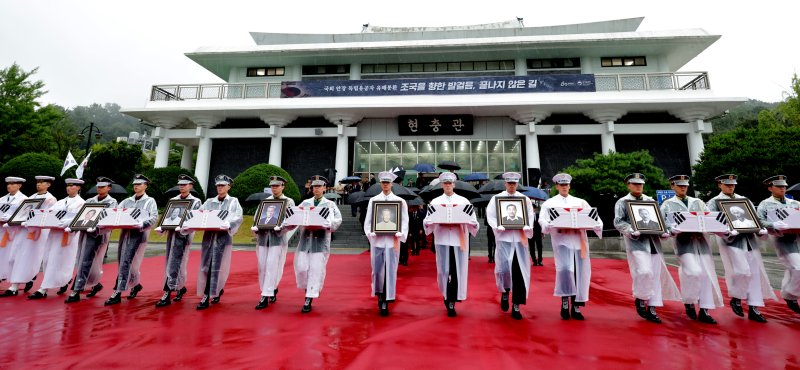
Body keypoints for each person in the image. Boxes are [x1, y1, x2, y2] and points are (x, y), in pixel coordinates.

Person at [613, 173, 680, 323]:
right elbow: (618, 221)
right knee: (644, 271)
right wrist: (630, 230)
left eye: (640, 184)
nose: (638, 186)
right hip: (637, 242)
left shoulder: (650, 201)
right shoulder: (622, 202)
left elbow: (661, 221)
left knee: (655, 275)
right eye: (635, 184)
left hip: (654, 243)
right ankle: (641, 297)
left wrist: (666, 231)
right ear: (628, 185)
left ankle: (652, 308)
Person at [707, 174, 774, 322]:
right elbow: (711, 222)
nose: (731, 187)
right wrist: (725, 231)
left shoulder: (744, 200)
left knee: (755, 274)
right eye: (727, 184)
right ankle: (736, 298)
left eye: (733, 184)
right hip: (731, 241)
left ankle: (754, 307)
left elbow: (755, 219)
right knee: (741, 271)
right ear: (720, 185)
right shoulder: (714, 202)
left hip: (749, 240)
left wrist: (760, 229)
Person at [660, 175, 723, 324]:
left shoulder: (698, 202)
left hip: (701, 242)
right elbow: (662, 224)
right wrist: (671, 229)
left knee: (706, 275)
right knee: (693, 272)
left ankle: (704, 310)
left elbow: (710, 218)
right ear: (673, 186)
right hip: (684, 243)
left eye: (685, 185)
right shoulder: (667, 205)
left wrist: (721, 228)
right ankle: (689, 301)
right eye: (680, 185)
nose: (683, 188)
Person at [539, 173, 602, 320]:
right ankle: (565, 300)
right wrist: (548, 224)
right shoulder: (550, 203)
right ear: (557, 186)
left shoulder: (580, 202)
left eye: (566, 185)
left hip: (578, 242)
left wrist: (596, 225)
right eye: (561, 185)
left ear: (569, 186)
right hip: (562, 241)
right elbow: (542, 220)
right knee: (565, 270)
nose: (564, 187)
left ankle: (576, 306)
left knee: (579, 274)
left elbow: (595, 219)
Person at [423, 172, 478, 317]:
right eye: (445, 183)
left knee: (456, 270)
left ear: (454, 184)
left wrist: (472, 223)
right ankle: (446, 295)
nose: (448, 185)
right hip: (442, 240)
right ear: (442, 185)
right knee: (443, 271)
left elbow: (473, 221)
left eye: (450, 183)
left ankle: (451, 300)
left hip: (457, 241)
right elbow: (428, 221)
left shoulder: (463, 201)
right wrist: (428, 222)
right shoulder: (435, 202)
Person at [285, 175, 342, 313]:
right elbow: (295, 217)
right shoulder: (305, 203)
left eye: (319, 186)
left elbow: (337, 220)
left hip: (320, 241)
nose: (316, 189)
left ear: (324, 188)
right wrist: (288, 221)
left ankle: (309, 297)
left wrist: (329, 224)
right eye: (314, 187)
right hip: (305, 240)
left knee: (316, 269)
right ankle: (308, 288)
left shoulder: (330, 204)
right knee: (301, 267)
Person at [26, 178, 86, 299]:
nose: (69, 188)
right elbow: (49, 214)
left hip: (67, 235)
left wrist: (67, 223)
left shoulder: (81, 203)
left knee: (58, 260)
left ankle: (43, 289)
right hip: (53, 234)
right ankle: (64, 281)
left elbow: (81, 218)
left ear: (78, 187)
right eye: (68, 185)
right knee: (48, 259)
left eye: (72, 186)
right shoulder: (60, 202)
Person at [189, 174, 243, 310]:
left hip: (223, 238)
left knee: (218, 267)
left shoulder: (233, 202)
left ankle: (208, 294)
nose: (220, 187)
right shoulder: (209, 202)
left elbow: (238, 217)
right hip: (209, 237)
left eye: (222, 185)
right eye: (218, 185)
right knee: (206, 266)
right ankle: (214, 290)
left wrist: (229, 224)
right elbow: (199, 213)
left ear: (229, 187)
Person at [104, 174, 158, 306]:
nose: (136, 186)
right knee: (125, 260)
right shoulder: (127, 201)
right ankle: (136, 284)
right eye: (135, 184)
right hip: (125, 233)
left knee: (127, 260)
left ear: (145, 186)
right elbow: (116, 212)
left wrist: (142, 224)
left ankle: (118, 290)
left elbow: (154, 217)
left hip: (139, 234)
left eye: (139, 184)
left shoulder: (150, 201)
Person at [486, 172, 533, 320]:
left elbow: (530, 215)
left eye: (514, 183)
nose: (512, 185)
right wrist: (497, 226)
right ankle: (505, 291)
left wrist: (527, 226)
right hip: (504, 239)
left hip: (519, 241)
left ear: (517, 184)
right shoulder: (496, 199)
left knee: (519, 272)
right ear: (505, 183)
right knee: (504, 269)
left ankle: (516, 305)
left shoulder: (524, 200)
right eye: (509, 183)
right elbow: (490, 215)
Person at [2, 176, 57, 297]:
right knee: (14, 257)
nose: (38, 184)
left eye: (42, 182)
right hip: (23, 230)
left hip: (37, 233)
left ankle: (15, 286)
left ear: (48, 185)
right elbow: (22, 213)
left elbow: (48, 217)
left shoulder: (50, 199)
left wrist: (30, 222)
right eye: (37, 182)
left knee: (28, 259)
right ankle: (23, 281)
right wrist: (14, 222)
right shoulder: (31, 198)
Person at [66, 176, 118, 303]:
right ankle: (95, 284)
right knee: (85, 260)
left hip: (99, 234)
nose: (99, 189)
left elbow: (109, 218)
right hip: (85, 232)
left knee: (87, 260)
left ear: (109, 188)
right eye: (98, 186)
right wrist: (73, 226)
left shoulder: (112, 202)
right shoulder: (90, 200)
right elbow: (82, 216)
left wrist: (96, 226)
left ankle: (77, 290)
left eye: (103, 187)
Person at [364, 171, 409, 316]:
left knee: (390, 270)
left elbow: (404, 221)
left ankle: (387, 298)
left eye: (388, 182)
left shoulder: (399, 201)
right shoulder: (374, 201)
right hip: (378, 241)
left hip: (392, 241)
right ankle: (379, 294)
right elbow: (368, 221)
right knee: (377, 270)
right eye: (383, 182)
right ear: (380, 184)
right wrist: (370, 232)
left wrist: (401, 232)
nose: (385, 185)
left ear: (392, 184)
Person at [152, 174, 201, 307]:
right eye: (180, 184)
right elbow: (167, 217)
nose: (182, 187)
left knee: (178, 263)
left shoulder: (195, 202)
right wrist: (162, 227)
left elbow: (194, 219)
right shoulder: (174, 200)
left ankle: (168, 291)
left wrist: (183, 227)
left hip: (184, 236)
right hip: (172, 235)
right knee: (170, 261)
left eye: (184, 184)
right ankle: (180, 287)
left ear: (191, 186)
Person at [756, 175, 800, 316]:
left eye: (784, 186)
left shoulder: (795, 203)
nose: (783, 189)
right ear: (770, 188)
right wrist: (772, 224)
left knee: (793, 268)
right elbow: (758, 220)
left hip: (797, 237)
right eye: (779, 186)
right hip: (782, 239)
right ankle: (790, 295)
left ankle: (789, 294)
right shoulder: (765, 204)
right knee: (797, 268)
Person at [251, 175, 296, 310]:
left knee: (273, 265)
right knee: (262, 265)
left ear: (283, 186)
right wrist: (256, 226)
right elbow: (257, 217)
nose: (274, 188)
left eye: (277, 186)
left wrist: (282, 227)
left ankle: (265, 294)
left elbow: (292, 220)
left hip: (277, 239)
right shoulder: (266, 201)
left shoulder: (288, 202)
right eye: (272, 186)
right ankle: (271, 288)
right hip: (263, 238)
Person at [0, 177, 28, 287]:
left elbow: (24, 216)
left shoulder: (24, 199)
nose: (9, 186)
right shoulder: (2, 199)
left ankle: (16, 283)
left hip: (15, 232)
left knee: (13, 257)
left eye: (12, 184)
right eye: (8, 184)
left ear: (19, 186)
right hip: (2, 230)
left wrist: (10, 218)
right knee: (1, 255)